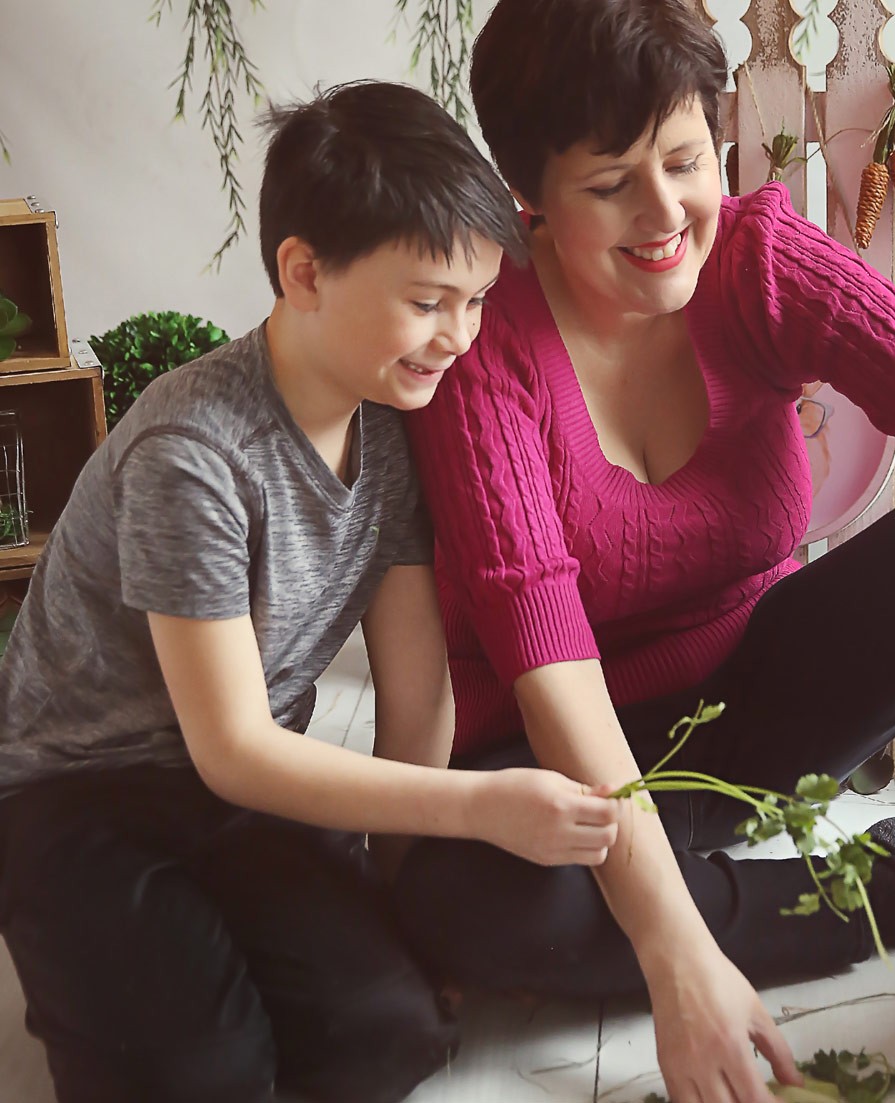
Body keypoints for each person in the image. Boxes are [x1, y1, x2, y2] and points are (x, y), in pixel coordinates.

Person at [395, 3, 895, 1102]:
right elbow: (555, 684)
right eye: (610, 184)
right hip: (566, 747)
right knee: (472, 903)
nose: (667, 211)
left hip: (760, 701)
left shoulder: (762, 256)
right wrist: (682, 960)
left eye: (685, 160)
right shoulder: (483, 344)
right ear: (527, 192)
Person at [0, 81, 622, 1103]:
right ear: (304, 271)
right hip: (79, 793)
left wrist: (392, 888)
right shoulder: (191, 449)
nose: (458, 337)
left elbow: (416, 695)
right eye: (428, 301)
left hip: (237, 794)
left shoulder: (395, 424)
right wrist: (481, 808)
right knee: (196, 1073)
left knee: (394, 1030)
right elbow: (232, 745)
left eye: (474, 301)